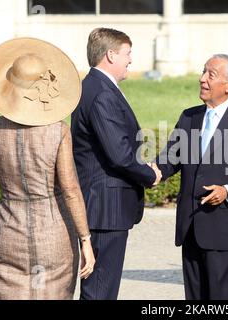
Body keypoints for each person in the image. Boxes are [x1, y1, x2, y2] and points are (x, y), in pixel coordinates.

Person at [0, 37, 95, 300]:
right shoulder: (58, 131)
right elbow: (71, 189)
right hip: (54, 235)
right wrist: (85, 239)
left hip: (8, 235)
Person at [156, 54, 228, 300]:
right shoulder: (189, 117)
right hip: (191, 228)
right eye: (203, 72)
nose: (202, 79)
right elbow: (170, 159)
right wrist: (149, 171)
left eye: (211, 75)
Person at [71, 28, 162, 300]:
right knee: (100, 289)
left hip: (102, 205)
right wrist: (149, 174)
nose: (131, 60)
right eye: (127, 53)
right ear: (110, 55)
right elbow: (119, 154)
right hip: (104, 208)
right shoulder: (101, 92)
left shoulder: (95, 87)